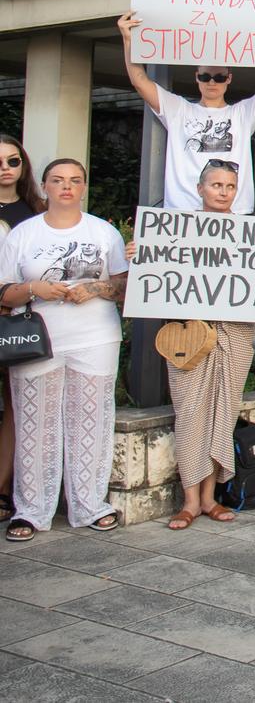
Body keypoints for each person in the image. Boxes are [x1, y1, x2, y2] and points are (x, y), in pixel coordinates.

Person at [0, 158, 126, 541]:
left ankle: (90, 505)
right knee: (35, 422)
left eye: (74, 180)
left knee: (92, 418)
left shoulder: (104, 232)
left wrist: (96, 288)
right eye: (57, 180)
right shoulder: (23, 234)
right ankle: (31, 509)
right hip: (39, 338)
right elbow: (4, 291)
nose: (66, 187)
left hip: (96, 334)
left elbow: (122, 285)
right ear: (45, 186)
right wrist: (35, 289)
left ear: (84, 187)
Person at [160, 160, 255, 529]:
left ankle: (210, 499)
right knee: (189, 414)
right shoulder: (176, 229)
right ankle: (189, 501)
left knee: (223, 413)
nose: (223, 191)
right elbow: (160, 275)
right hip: (187, 335)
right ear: (200, 188)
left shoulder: (252, 231)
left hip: (234, 332)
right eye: (215, 184)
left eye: (230, 186)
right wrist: (141, 255)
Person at [118, 11, 255, 213]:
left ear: (229, 79)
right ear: (196, 77)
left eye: (219, 77)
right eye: (205, 76)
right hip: (183, 209)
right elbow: (140, 82)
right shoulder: (178, 109)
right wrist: (128, 40)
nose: (212, 82)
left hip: (233, 209)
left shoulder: (242, 113)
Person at [0, 134, 46, 522]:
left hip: (18, 320)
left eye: (13, 161)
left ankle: (3, 489)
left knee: (17, 407)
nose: (5, 168)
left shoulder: (36, 212)